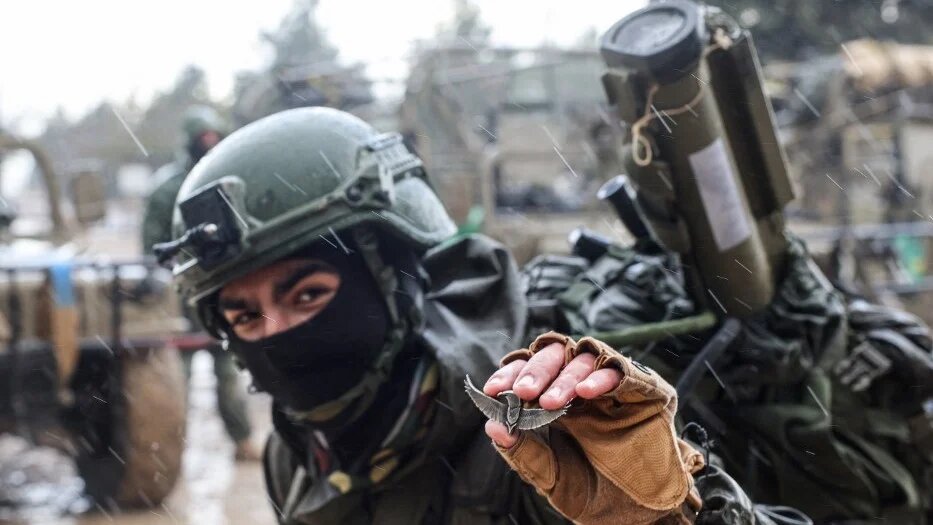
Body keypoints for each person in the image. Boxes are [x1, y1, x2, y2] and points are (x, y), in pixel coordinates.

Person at [157, 107, 810, 524]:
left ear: (393, 281)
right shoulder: (295, 451)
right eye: (243, 316)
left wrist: (669, 508)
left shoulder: (535, 434)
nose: (277, 334)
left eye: (307, 296)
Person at [140, 105, 261, 461]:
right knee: (179, 377)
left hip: (222, 288)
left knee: (228, 371)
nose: (209, 144)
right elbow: (152, 248)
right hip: (181, 294)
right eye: (202, 139)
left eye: (214, 137)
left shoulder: (227, 180)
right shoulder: (167, 189)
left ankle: (241, 439)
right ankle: (169, 450)